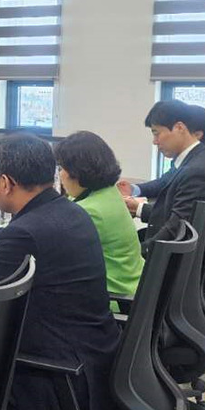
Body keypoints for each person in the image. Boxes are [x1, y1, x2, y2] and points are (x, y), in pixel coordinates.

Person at [0, 133, 120, 410]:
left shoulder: (25, 231)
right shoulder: (70, 211)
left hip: (56, 380)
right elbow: (23, 270)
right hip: (96, 364)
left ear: (6, 183)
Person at [117, 100, 205, 255]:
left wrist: (135, 256)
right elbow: (178, 216)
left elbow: (176, 229)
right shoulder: (197, 158)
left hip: (176, 257)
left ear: (179, 128)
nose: (155, 142)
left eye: (156, 133)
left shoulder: (197, 171)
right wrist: (138, 203)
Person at [54, 131, 145, 310]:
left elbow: (51, 247)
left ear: (76, 172)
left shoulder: (90, 211)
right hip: (134, 289)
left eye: (62, 168)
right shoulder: (108, 192)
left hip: (115, 299)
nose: (60, 175)